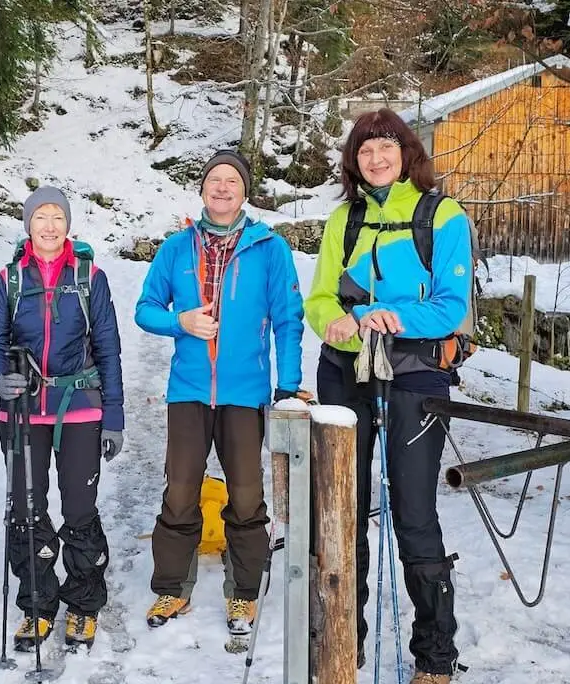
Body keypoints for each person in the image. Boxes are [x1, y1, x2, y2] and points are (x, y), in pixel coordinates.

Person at [304, 108, 468, 684]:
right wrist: (332, 323)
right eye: (365, 150)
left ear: (406, 153)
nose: (375, 158)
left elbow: (452, 305)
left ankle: (435, 656)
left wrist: (385, 315)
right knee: (342, 510)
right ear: (354, 160)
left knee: (414, 511)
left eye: (386, 147)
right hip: (346, 373)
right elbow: (320, 296)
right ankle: (345, 642)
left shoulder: (441, 215)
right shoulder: (342, 219)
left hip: (417, 377)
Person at [134, 150, 303, 640]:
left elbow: (288, 321)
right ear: (202, 189)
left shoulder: (269, 248)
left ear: (245, 190)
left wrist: (287, 386)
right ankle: (171, 588)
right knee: (181, 492)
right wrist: (179, 322)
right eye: (214, 180)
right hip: (188, 390)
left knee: (247, 497)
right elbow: (146, 308)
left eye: (232, 180)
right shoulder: (176, 248)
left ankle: (245, 593)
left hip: (244, 393)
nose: (223, 187)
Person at [0, 186, 124, 652]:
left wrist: (114, 415)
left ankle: (83, 603)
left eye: (56, 217)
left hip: (79, 406)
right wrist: (0, 378)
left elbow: (107, 347)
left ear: (67, 224)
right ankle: (36, 604)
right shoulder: (10, 279)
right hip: (22, 411)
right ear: (27, 225)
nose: (48, 225)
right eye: (40, 217)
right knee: (26, 509)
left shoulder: (89, 277)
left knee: (80, 510)